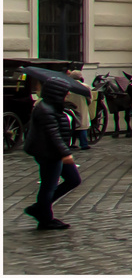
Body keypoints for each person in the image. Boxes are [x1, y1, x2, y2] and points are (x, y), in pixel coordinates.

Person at [22, 76, 81, 230]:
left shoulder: (53, 106)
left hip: (54, 152)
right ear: (56, 92)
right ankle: (45, 219)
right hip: (48, 153)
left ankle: (39, 208)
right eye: (65, 91)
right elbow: (53, 135)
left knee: (73, 179)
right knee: (49, 186)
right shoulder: (45, 110)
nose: (67, 94)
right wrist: (65, 153)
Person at [63, 72, 92, 151]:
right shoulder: (84, 87)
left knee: (72, 125)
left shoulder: (67, 85)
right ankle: (84, 144)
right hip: (82, 107)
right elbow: (89, 99)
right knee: (82, 126)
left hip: (69, 108)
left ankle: (71, 143)